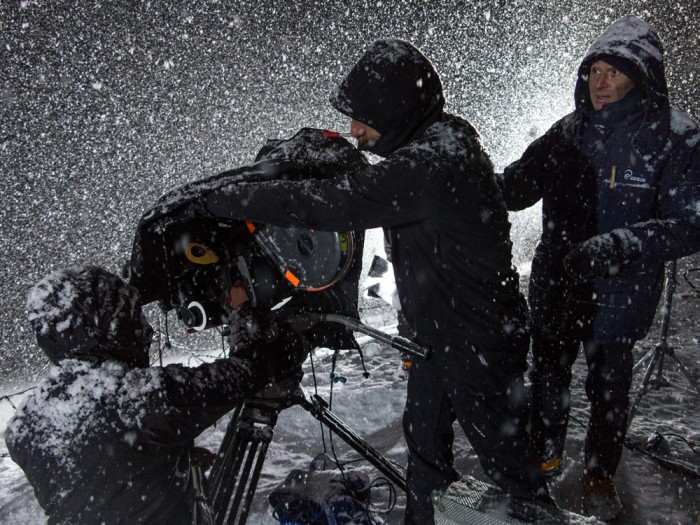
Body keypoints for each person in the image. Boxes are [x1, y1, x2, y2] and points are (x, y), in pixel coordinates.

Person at [184, 38, 550, 523]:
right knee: (426, 457)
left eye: (363, 118)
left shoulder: (434, 163)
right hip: (438, 338)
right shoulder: (438, 143)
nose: (354, 131)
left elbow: (335, 204)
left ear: (395, 109)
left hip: (476, 340)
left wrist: (224, 200)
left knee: (510, 469)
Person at [499, 15, 700, 520]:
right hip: (558, 283)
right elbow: (517, 186)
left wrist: (622, 244)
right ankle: (544, 457)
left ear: (642, 76)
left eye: (614, 72)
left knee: (609, 387)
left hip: (619, 293)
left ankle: (598, 475)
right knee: (548, 376)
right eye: (594, 72)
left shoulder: (676, 137)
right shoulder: (569, 131)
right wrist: (471, 180)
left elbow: (691, 222)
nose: (601, 82)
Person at [5, 265, 301, 524]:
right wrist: (242, 310)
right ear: (106, 325)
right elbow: (248, 370)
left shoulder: (25, 425)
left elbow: (92, 476)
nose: (146, 331)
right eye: (130, 316)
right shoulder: (138, 397)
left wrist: (160, 461)